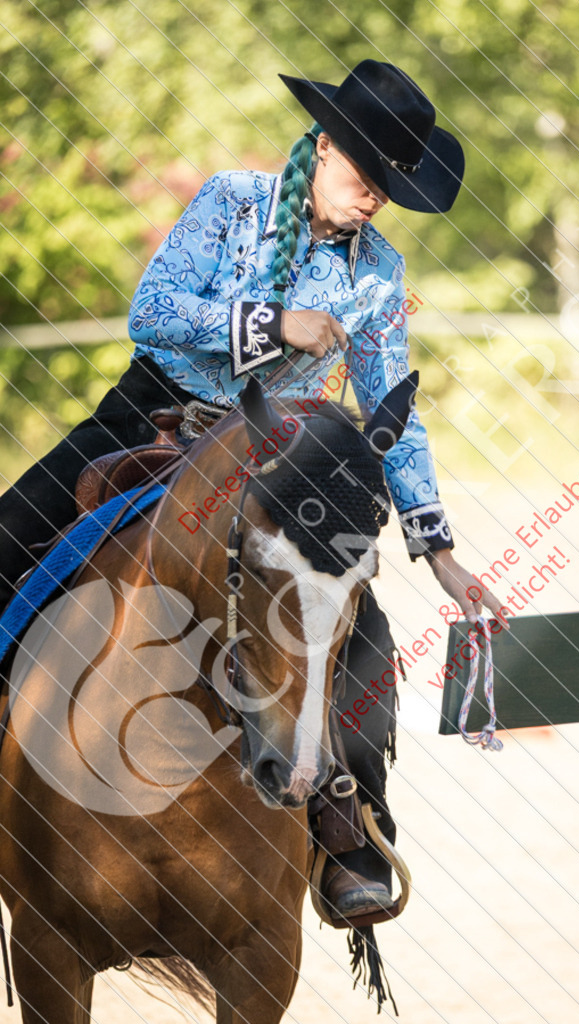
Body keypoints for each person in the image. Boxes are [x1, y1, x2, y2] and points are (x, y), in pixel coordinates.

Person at [0, 60, 506, 916]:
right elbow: (152, 310)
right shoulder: (234, 201)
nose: (376, 196)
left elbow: (393, 412)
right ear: (324, 142)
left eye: (391, 185)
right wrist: (277, 323)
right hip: (150, 417)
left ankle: (351, 827)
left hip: (283, 459)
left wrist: (444, 557)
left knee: (362, 634)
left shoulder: (378, 273)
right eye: (366, 174)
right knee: (11, 533)